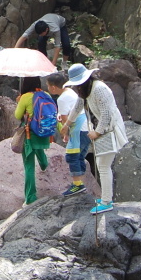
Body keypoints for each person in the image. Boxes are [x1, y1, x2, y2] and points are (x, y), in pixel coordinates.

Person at [63, 63, 128, 214]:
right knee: (102, 165)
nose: (75, 87)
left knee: (103, 167)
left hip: (109, 131)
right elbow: (77, 107)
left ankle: (106, 202)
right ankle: (106, 198)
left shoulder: (99, 89)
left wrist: (97, 132)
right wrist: (67, 124)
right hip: (103, 131)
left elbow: (106, 113)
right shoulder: (85, 91)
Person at [14, 76, 52, 205]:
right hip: (44, 131)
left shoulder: (25, 97)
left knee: (29, 166)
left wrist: (20, 102)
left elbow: (18, 116)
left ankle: (30, 198)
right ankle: (44, 163)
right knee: (38, 148)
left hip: (30, 133)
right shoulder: (46, 94)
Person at [50, 72, 88, 197]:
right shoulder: (71, 92)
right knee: (80, 156)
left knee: (72, 156)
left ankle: (77, 185)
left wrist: (65, 133)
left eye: (48, 86)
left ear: (53, 87)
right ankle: (80, 182)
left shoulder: (61, 99)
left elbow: (66, 119)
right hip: (85, 127)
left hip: (77, 129)